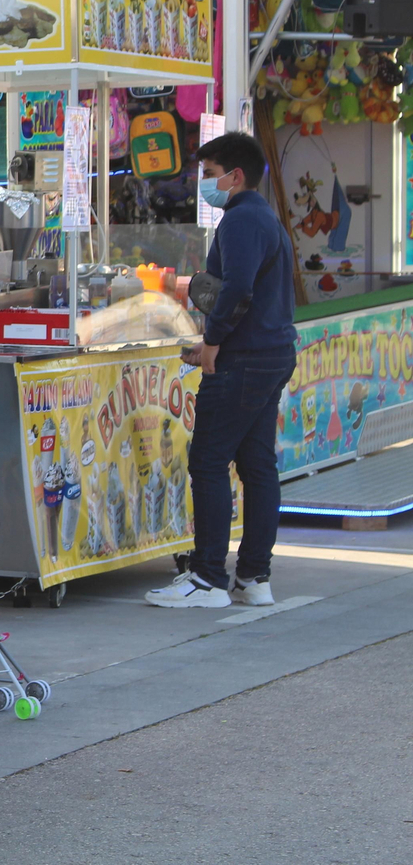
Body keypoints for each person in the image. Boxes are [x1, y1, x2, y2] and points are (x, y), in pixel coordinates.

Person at [145, 131, 295, 610]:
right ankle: (254, 577)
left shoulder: (241, 220)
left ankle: (207, 578)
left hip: (244, 359)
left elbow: (238, 291)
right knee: (256, 466)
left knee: (208, 463)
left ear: (236, 176)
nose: (202, 184)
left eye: (208, 175)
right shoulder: (259, 216)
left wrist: (211, 344)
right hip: (266, 353)